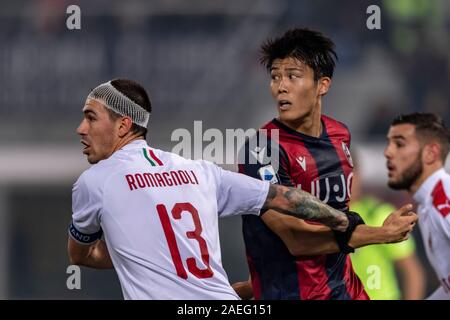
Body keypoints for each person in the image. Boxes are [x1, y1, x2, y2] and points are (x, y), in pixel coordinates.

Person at [67, 78, 358, 300]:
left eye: (91, 117)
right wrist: (343, 220)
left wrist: (131, 250)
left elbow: (80, 255)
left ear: (123, 125)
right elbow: (284, 196)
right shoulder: (200, 171)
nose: (81, 128)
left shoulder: (96, 182)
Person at [233, 28, 418, 300]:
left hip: (347, 291)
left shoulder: (340, 135)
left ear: (323, 85)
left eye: (293, 76)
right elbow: (295, 240)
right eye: (275, 77)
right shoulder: (261, 149)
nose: (281, 86)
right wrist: (379, 234)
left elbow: (337, 216)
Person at [385, 112, 450, 300]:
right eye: (389, 143)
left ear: (431, 153)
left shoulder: (443, 195)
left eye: (399, 144)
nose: (388, 152)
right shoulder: (427, 204)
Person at [350, 156, 426, 300]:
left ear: (358, 175)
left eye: (349, 173)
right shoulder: (318, 219)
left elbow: (412, 272)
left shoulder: (378, 215)